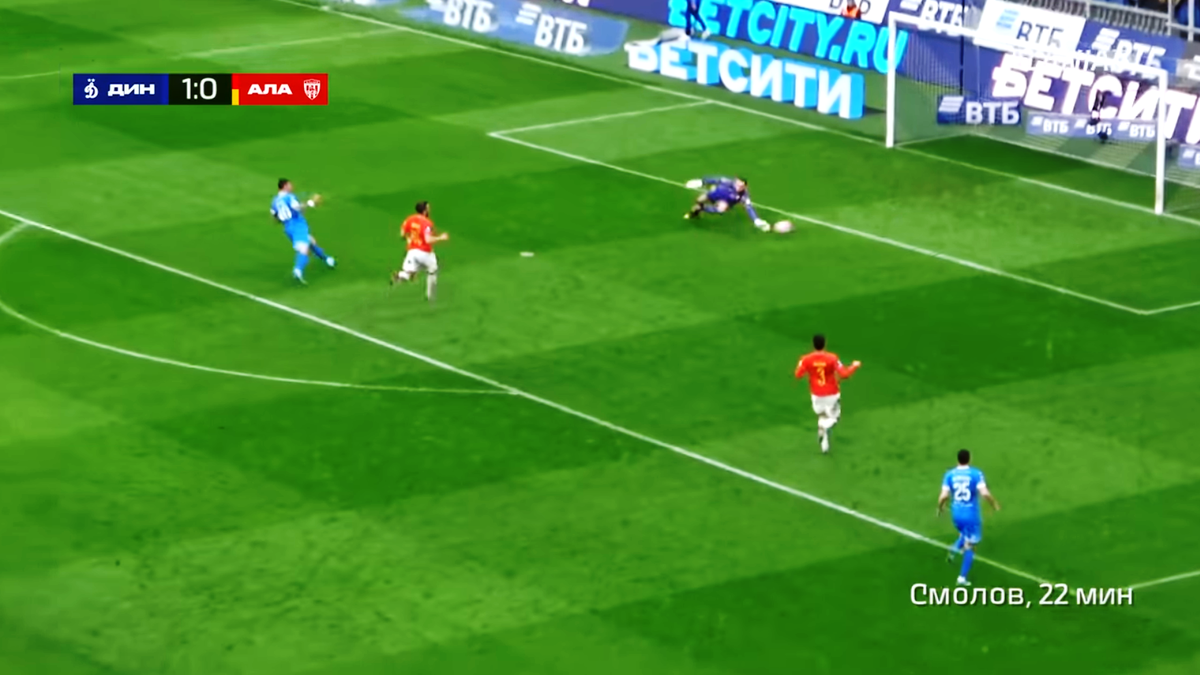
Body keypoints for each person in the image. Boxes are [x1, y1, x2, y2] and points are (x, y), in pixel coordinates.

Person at [937, 449, 1001, 587]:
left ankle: (953, 551)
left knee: (964, 534)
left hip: (956, 514)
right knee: (970, 545)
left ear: (958, 459)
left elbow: (944, 496)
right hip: (971, 515)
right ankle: (962, 577)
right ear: (969, 459)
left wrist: (940, 508)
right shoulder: (975, 473)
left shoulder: (949, 474)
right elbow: (984, 493)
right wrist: (994, 504)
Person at [794, 334, 861, 453]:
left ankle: (824, 446)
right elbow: (844, 374)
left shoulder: (806, 359)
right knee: (834, 418)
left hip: (816, 395)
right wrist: (854, 366)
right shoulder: (832, 358)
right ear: (825, 344)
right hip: (831, 394)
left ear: (813, 345)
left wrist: (808, 369)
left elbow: (798, 374)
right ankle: (824, 428)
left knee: (822, 416)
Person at [270, 179, 335, 285]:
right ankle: (298, 270)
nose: (292, 186)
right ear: (285, 186)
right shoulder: (290, 197)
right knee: (304, 249)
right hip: (297, 225)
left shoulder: (275, 201)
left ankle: (327, 259)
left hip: (288, 228)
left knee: (311, 241)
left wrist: (286, 219)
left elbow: (275, 219)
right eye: (290, 185)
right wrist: (310, 203)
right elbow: (297, 208)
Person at [391, 201, 448, 303]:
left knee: (408, 272)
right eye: (428, 208)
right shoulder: (427, 223)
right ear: (425, 211)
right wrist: (441, 237)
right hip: (425, 253)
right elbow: (428, 240)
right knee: (432, 270)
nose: (430, 210)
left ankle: (401, 275)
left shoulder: (410, 219)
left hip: (412, 251)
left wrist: (409, 239)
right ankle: (430, 296)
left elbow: (402, 234)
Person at [683, 176, 771, 231]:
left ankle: (702, 208)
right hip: (712, 195)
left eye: (741, 186)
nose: (738, 187)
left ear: (745, 186)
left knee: (721, 208)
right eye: (738, 184)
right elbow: (714, 179)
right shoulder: (727, 182)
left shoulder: (743, 196)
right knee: (698, 200)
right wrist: (701, 182)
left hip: (724, 202)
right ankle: (695, 213)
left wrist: (756, 220)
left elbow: (749, 207)